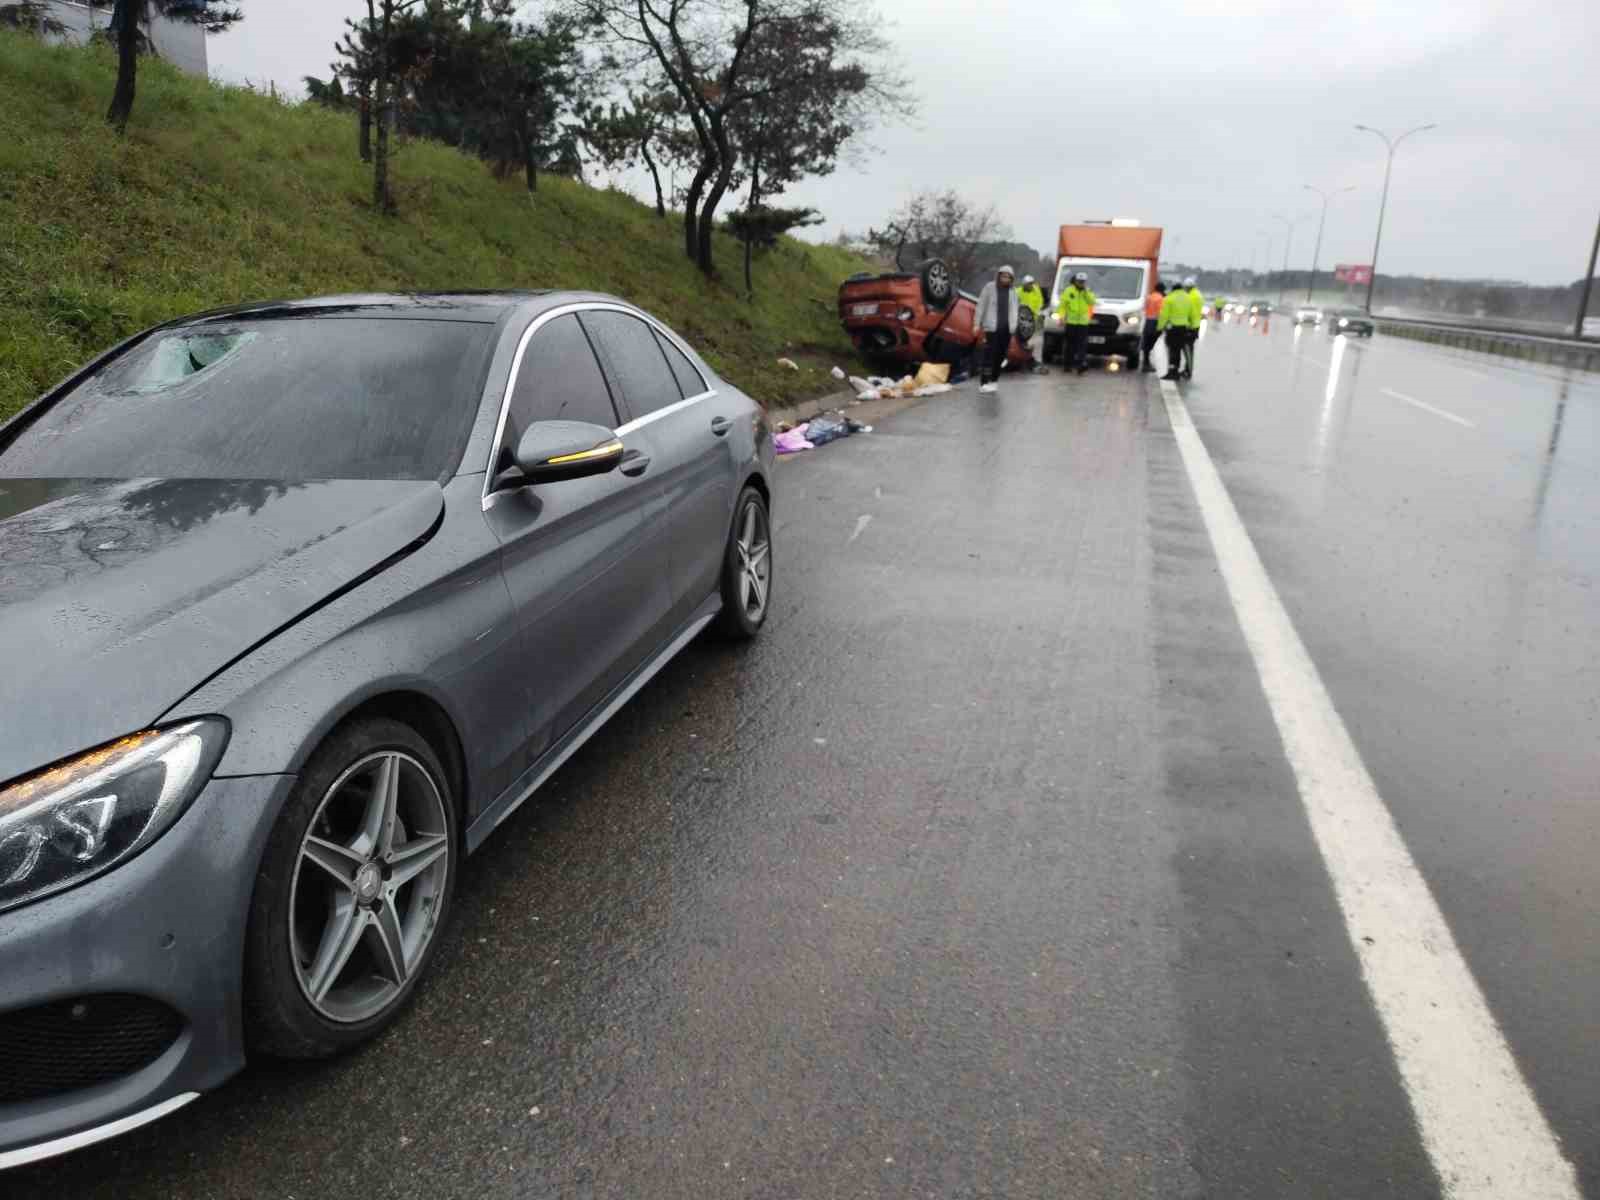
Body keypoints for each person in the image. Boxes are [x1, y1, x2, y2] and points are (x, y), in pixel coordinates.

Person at [972, 265, 1020, 394]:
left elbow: (1015, 310)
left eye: (1008, 277)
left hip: (1006, 330)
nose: (1005, 279)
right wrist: (976, 324)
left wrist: (1014, 326)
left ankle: (994, 380)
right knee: (989, 356)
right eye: (1003, 276)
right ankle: (984, 381)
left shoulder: (1013, 292)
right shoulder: (989, 288)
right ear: (999, 276)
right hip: (992, 328)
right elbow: (981, 306)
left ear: (1011, 279)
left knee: (1000, 356)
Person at [1055, 271, 1096, 375]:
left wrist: (1085, 292)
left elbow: (1092, 302)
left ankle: (1081, 365)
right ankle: (1067, 365)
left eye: (1083, 282)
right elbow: (1062, 305)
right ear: (1075, 281)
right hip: (1071, 322)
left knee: (1082, 345)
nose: (1081, 283)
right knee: (1070, 345)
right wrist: (1061, 317)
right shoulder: (1068, 291)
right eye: (1079, 281)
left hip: (1083, 323)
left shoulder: (1087, 292)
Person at [1158, 281, 1195, 381]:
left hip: (1172, 328)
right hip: (1184, 328)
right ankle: (1178, 371)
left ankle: (1172, 371)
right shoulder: (1188, 298)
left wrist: (1160, 327)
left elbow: (1164, 315)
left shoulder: (1169, 298)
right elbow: (1192, 314)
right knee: (1180, 349)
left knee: (1173, 350)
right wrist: (1192, 327)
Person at [1138, 280, 1166, 372]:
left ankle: (1145, 364)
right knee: (1150, 344)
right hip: (1155, 322)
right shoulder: (1161, 298)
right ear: (1162, 290)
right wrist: (1162, 327)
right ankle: (1146, 364)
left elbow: (1144, 309)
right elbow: (1161, 313)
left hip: (1147, 321)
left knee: (1146, 343)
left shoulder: (1149, 297)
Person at [1182, 276, 1205, 378]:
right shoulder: (1198, 294)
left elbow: (1188, 311)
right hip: (1196, 325)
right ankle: (1187, 369)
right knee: (1189, 349)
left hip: (1190, 326)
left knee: (1188, 350)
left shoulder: (1191, 296)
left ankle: (1188, 371)